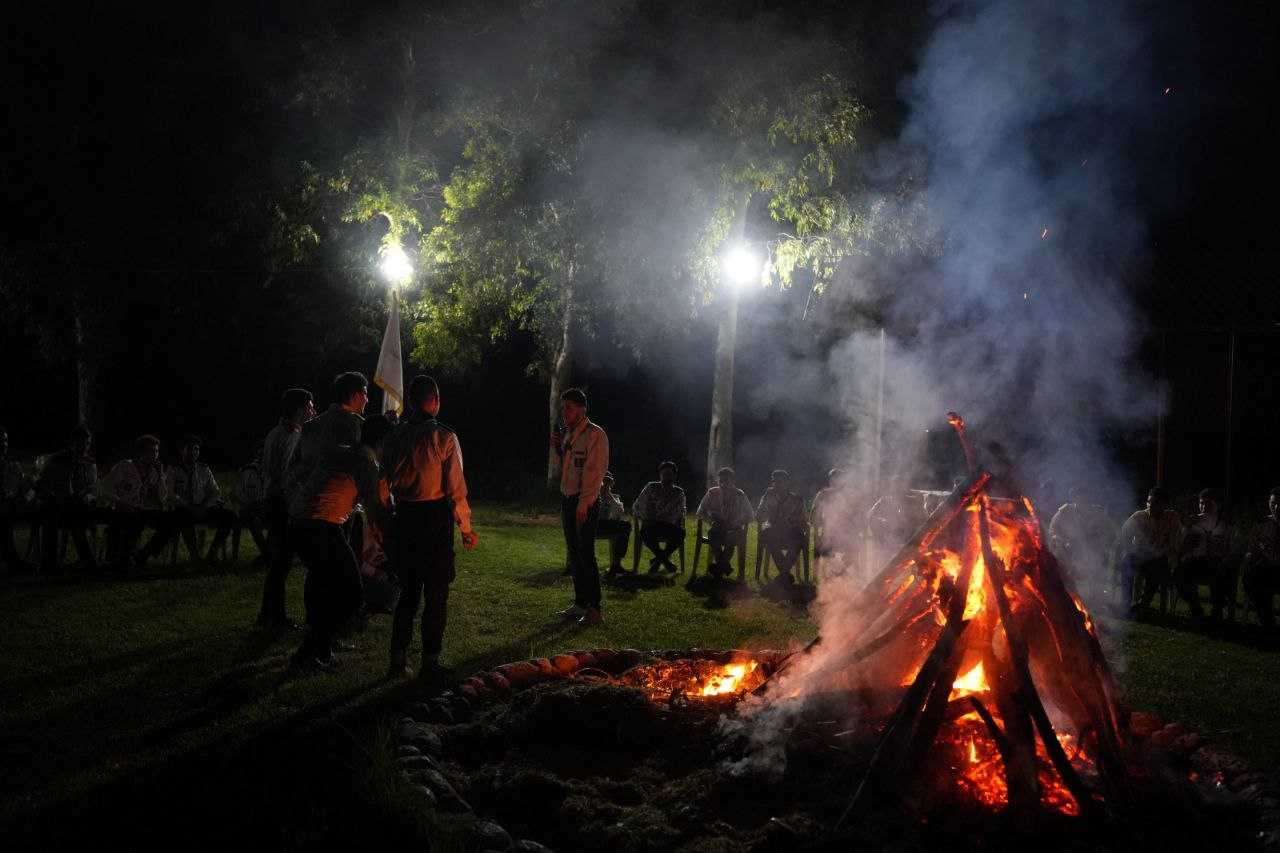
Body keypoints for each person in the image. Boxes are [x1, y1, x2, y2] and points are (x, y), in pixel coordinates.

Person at [382, 375, 478, 686]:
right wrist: (466, 528)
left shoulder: (395, 436)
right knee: (436, 594)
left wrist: (386, 520)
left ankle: (398, 659)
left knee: (408, 593)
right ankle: (430, 662)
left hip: (404, 518)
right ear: (435, 400)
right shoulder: (443, 437)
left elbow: (383, 481)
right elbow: (456, 489)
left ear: (411, 402)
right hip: (434, 521)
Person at [287, 415, 394, 672]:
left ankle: (322, 649)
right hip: (319, 525)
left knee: (327, 588)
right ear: (383, 441)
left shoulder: (342, 451)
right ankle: (308, 653)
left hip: (302, 521)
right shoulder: (366, 462)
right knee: (350, 594)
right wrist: (391, 549)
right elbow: (375, 513)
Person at [256, 388, 316, 629]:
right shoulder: (291, 435)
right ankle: (275, 617)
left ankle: (268, 614)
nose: (313, 411)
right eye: (310, 406)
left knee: (279, 562)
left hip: (276, 500)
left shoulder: (277, 432)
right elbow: (284, 474)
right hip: (282, 502)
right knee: (282, 562)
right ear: (299, 409)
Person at [552, 387, 610, 623]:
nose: (564, 412)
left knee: (586, 553)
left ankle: (594, 608)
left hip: (585, 501)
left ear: (582, 410)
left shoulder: (594, 434)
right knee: (574, 553)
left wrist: (584, 503)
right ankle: (580, 603)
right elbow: (565, 468)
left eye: (569, 408)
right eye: (563, 408)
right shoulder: (569, 433)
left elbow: (594, 472)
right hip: (568, 497)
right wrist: (558, 449)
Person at [284, 371, 368, 497]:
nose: (367, 400)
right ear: (355, 396)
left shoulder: (309, 426)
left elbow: (292, 471)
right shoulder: (358, 426)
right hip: (339, 504)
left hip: (304, 502)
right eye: (365, 394)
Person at [35, 424, 101, 571]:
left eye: (87, 444)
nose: (84, 447)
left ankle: (84, 560)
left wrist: (87, 497)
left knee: (76, 515)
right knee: (55, 513)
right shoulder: (58, 460)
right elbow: (43, 484)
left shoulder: (89, 462)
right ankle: (53, 561)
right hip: (56, 502)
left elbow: (91, 486)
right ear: (73, 442)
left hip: (76, 503)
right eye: (81, 443)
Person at [104, 434, 176, 567]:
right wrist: (119, 502)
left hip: (143, 510)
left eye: (157, 451)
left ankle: (142, 555)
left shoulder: (155, 472)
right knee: (132, 520)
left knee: (170, 523)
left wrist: (161, 476)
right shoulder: (125, 466)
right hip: (123, 507)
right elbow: (106, 488)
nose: (155, 455)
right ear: (141, 452)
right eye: (151, 451)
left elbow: (162, 497)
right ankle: (124, 558)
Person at [168, 435, 238, 564]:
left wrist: (205, 506)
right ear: (181, 450)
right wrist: (188, 506)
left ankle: (212, 554)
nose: (194, 452)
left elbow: (215, 492)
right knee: (182, 516)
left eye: (196, 449)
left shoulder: (204, 469)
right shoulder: (173, 470)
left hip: (203, 508)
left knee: (230, 516)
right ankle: (194, 555)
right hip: (185, 509)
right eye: (190, 448)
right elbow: (171, 494)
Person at [1113, 486, 1182, 616]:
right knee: (1127, 563)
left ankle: (1143, 604)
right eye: (1149, 502)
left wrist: (1161, 552)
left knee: (1158, 569)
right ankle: (1126, 604)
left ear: (1164, 505)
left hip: (1160, 557)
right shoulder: (1139, 516)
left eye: (1155, 503)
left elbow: (1175, 543)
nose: (1150, 506)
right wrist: (1132, 549)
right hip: (1140, 555)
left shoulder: (1172, 518)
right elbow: (1123, 536)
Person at [1173, 488, 1235, 622]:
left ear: (1217, 505)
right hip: (1195, 561)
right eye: (1201, 503)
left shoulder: (1224, 525)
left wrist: (1221, 551)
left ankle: (1216, 611)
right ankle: (1196, 608)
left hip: (1216, 561)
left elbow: (1230, 549)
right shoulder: (1192, 522)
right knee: (1179, 574)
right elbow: (1179, 547)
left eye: (1209, 503)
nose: (1204, 507)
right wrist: (1186, 544)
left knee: (1221, 573)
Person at [1048, 486, 1116, 597]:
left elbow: (1110, 531)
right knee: (1061, 560)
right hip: (1072, 550)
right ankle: (1069, 592)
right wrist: (1059, 539)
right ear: (1074, 498)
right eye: (1079, 497)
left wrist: (1103, 543)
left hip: (1094, 550)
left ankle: (1096, 595)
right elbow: (1053, 528)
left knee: (1097, 565)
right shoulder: (1065, 512)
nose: (1083, 500)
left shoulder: (1097, 512)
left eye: (1086, 497)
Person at [695, 466, 753, 578]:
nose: (723, 484)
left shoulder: (740, 494)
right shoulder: (712, 492)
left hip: (734, 528)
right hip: (717, 527)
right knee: (713, 535)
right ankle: (724, 567)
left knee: (730, 537)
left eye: (726, 481)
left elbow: (750, 515)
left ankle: (718, 569)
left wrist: (739, 521)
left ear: (732, 481)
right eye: (720, 481)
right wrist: (710, 520)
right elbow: (700, 511)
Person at [633, 461, 686, 574]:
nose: (666, 476)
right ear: (660, 474)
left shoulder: (678, 492)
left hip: (669, 525)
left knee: (680, 533)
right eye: (664, 473)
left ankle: (658, 561)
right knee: (646, 531)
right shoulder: (651, 487)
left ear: (674, 476)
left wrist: (662, 518)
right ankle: (665, 561)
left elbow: (678, 512)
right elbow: (639, 505)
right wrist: (648, 517)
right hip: (652, 524)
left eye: (669, 474)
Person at [756, 469, 808, 584]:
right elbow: (758, 516)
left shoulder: (796, 499)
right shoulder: (768, 497)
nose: (777, 485)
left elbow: (804, 521)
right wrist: (765, 498)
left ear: (787, 483)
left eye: (780, 482)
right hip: (774, 532)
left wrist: (792, 522)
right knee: (766, 534)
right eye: (774, 482)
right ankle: (785, 575)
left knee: (800, 538)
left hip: (791, 533)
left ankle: (783, 575)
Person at [1242, 487, 1280, 630]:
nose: (1276, 508)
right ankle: (1267, 619)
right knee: (1251, 577)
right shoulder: (1262, 524)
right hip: (1265, 567)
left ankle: (1266, 620)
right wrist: (1252, 554)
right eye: (1273, 503)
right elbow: (1251, 548)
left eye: (1279, 504)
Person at [1, 426, 37, 571]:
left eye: (5, 440)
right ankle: (12, 560)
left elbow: (25, 487)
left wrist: (27, 494)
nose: (4, 444)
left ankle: (13, 559)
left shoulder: (11, 466)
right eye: (1, 440)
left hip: (12, 505)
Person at [234, 444, 271, 564]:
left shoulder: (272, 471)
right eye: (261, 453)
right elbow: (239, 493)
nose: (263, 456)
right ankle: (266, 554)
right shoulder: (248, 471)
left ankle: (268, 553)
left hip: (266, 508)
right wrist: (251, 504)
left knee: (278, 519)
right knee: (254, 520)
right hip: (249, 508)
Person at [595, 472, 630, 575]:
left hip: (606, 523)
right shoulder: (593, 493)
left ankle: (616, 564)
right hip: (592, 523)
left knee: (626, 525)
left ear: (611, 484)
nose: (605, 485)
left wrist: (609, 495)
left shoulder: (614, 497)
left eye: (608, 483)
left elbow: (620, 513)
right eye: (603, 482)